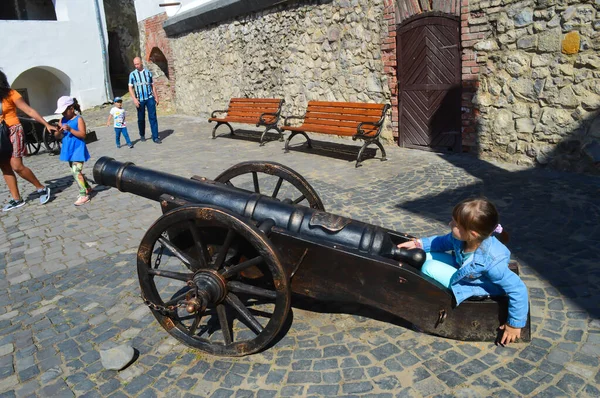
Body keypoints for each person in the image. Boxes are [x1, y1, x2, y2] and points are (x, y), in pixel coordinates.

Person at [397, 197, 528, 346]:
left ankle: (430, 308)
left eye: (455, 224)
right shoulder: (462, 238)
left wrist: (514, 325)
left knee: (428, 268)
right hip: (463, 272)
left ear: (472, 234)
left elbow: (518, 289)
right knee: (423, 256)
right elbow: (440, 242)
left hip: (473, 286)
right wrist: (418, 244)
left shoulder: (492, 262)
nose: (450, 224)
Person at [0, 70, 53, 212]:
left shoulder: (11, 94)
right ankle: (16, 199)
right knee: (4, 166)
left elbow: (29, 111)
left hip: (13, 130)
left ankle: (41, 188)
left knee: (16, 166)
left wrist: (46, 124)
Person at [54, 96, 92, 206]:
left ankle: (83, 195)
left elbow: (83, 134)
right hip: (68, 149)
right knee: (76, 172)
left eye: (64, 111)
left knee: (76, 171)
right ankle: (87, 188)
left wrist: (70, 129)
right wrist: (58, 131)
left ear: (71, 108)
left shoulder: (78, 119)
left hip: (78, 149)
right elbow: (57, 136)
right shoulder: (62, 120)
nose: (63, 114)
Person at [128, 57, 161, 144]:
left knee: (153, 117)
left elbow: (152, 85)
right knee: (141, 118)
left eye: (138, 64)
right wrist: (134, 99)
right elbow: (130, 87)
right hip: (140, 99)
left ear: (141, 63)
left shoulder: (148, 73)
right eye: (135, 64)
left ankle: (155, 137)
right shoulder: (132, 75)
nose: (136, 66)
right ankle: (142, 134)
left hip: (149, 98)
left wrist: (156, 97)